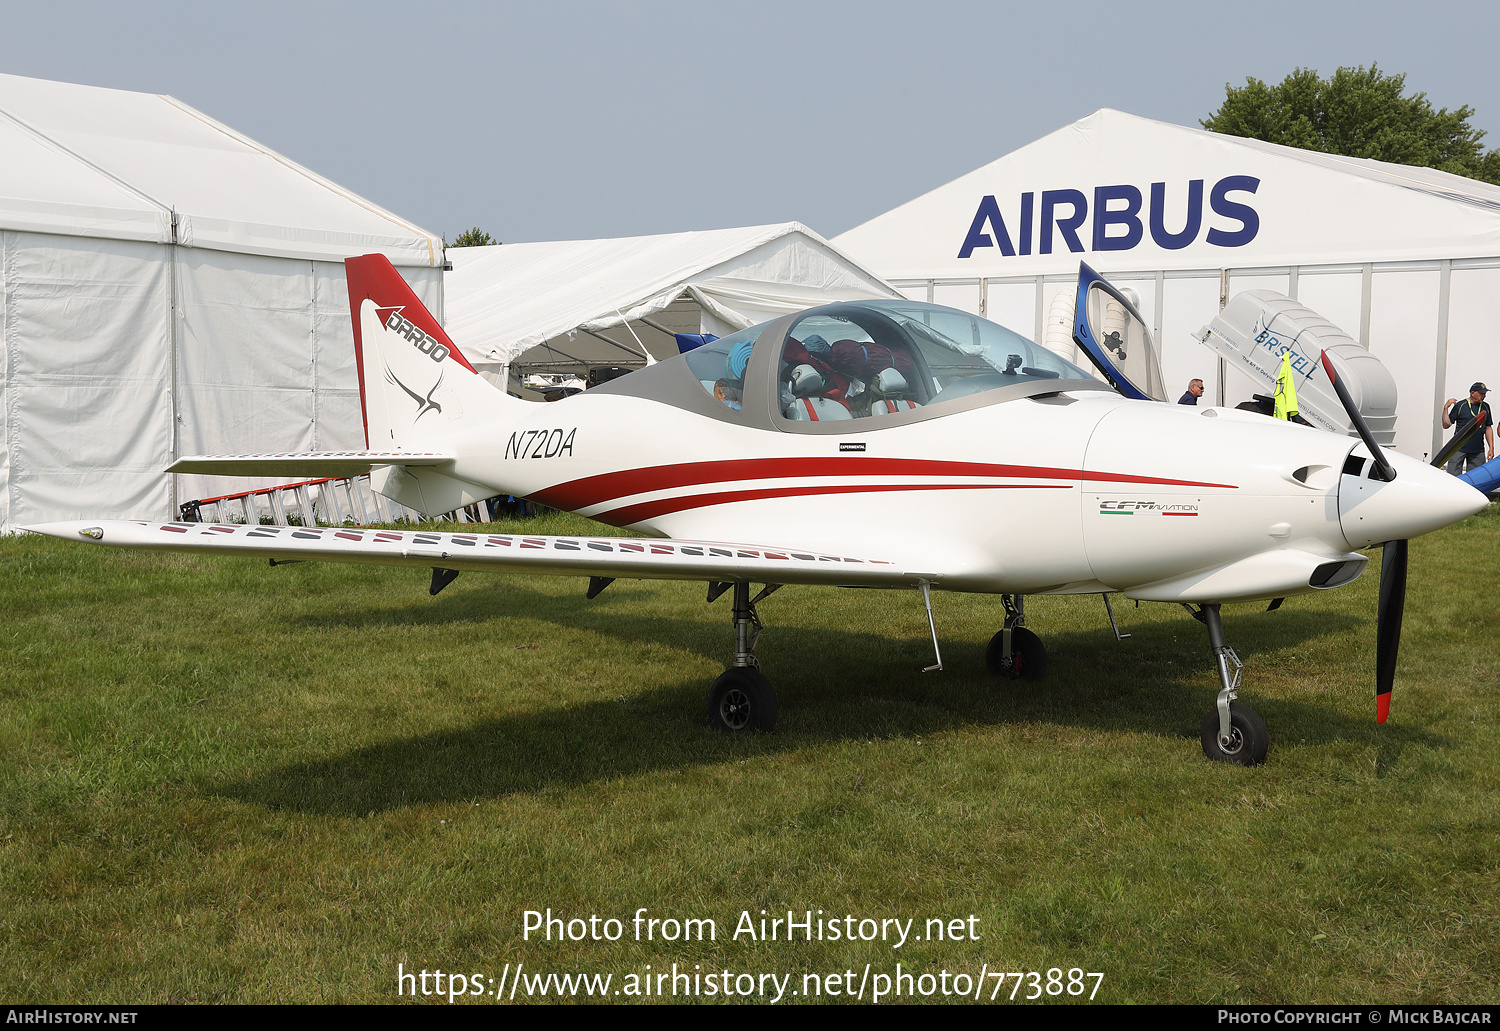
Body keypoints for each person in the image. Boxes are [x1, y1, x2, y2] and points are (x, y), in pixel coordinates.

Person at [1441, 383, 1495, 474]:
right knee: (1453, 477)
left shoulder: (1486, 407)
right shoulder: (1460, 405)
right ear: (1472, 393)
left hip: (1477, 450)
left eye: (1485, 394)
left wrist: (1491, 448)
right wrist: (1446, 408)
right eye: (1481, 393)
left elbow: (1488, 428)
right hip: (1458, 448)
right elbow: (1446, 425)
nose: (1484, 396)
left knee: (1477, 478)